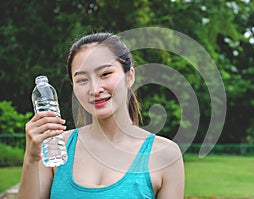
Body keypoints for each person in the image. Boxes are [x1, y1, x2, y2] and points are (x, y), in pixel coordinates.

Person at [17, 32, 185, 199]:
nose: (95, 89)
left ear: (129, 76)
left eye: (105, 74)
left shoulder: (165, 155)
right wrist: (31, 159)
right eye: (82, 80)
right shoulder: (56, 149)